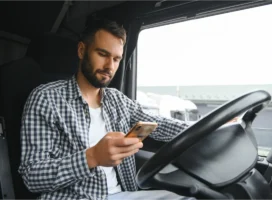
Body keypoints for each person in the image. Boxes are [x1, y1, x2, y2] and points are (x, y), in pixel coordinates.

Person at [18, 18, 195, 200]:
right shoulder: (46, 98)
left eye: (116, 59)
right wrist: (92, 157)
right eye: (102, 54)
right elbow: (32, 176)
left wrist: (210, 127)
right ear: (81, 50)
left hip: (122, 194)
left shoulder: (116, 99)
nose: (110, 66)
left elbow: (159, 124)